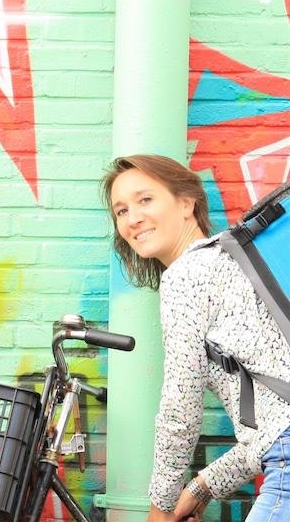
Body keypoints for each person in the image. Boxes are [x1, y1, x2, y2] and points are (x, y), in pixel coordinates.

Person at [102, 154, 290, 522]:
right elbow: (274, 422)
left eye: (145, 200)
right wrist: (203, 486)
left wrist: (160, 507)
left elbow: (180, 407)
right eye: (121, 210)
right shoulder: (233, 263)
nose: (133, 218)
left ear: (187, 203)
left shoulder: (187, 275)